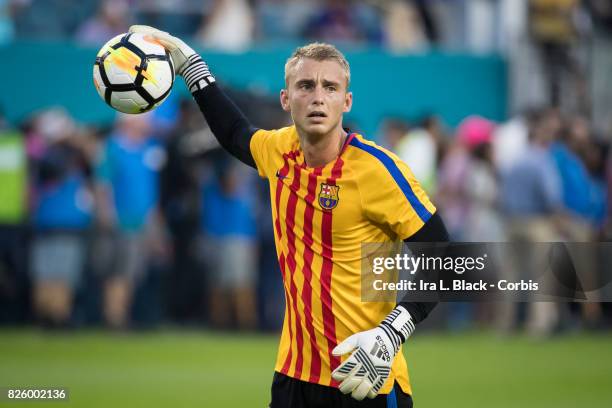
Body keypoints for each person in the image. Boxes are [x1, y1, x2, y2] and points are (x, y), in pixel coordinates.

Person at [128, 25, 449, 407]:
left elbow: (447, 258)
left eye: (330, 88)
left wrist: (393, 332)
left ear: (346, 102)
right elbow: (234, 133)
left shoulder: (378, 171)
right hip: (292, 379)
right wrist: (192, 67)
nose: (318, 98)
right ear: (285, 99)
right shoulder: (279, 151)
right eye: (305, 86)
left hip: (367, 376)